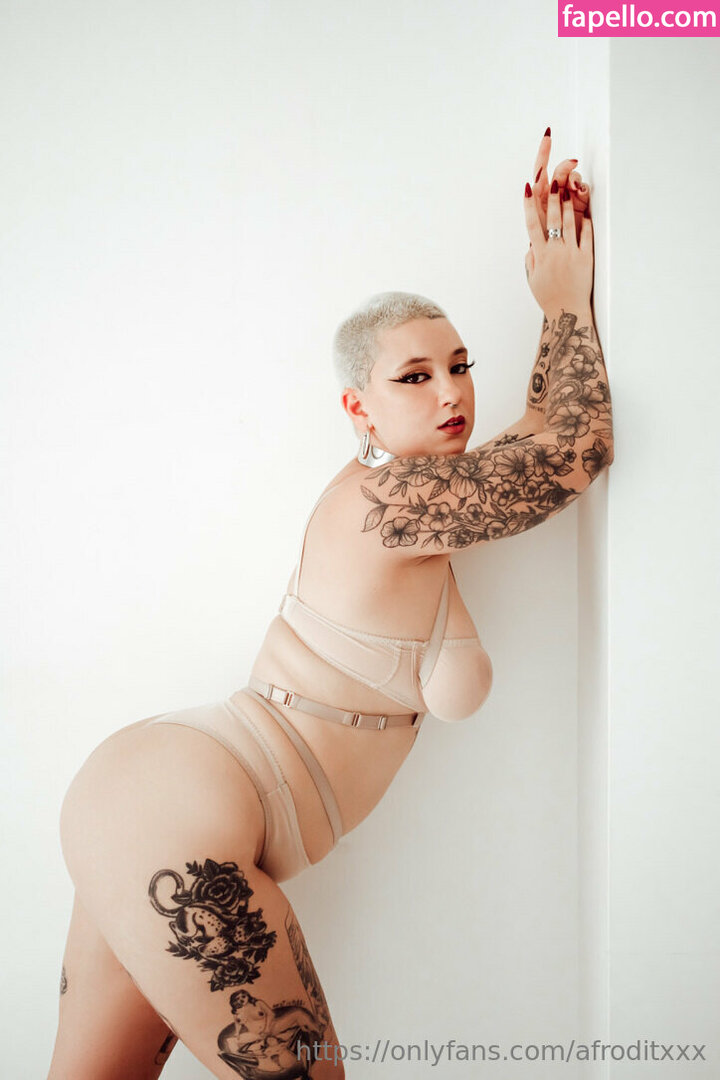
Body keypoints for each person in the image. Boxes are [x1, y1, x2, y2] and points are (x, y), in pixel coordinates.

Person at [49, 130, 613, 1080]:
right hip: (179, 810)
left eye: (461, 365)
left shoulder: (419, 500)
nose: (451, 392)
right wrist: (562, 304)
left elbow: (538, 435)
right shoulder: (391, 502)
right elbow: (577, 449)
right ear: (358, 407)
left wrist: (555, 305)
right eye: (414, 377)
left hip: (146, 799)